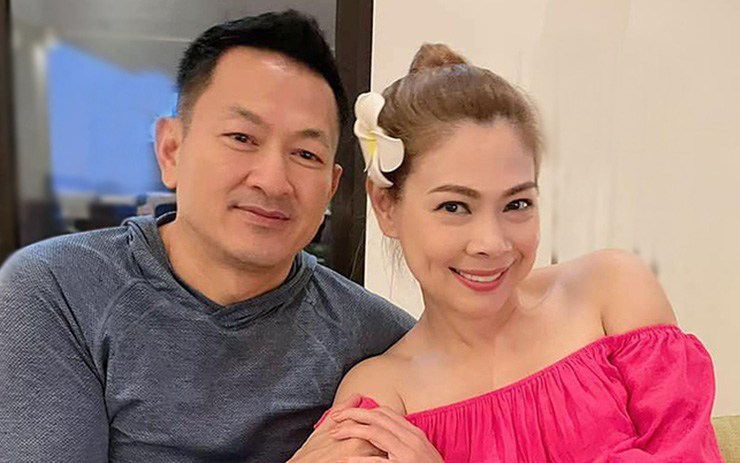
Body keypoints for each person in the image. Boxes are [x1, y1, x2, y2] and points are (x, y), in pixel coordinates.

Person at [0, 10, 417, 462]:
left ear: (331, 187)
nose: (273, 181)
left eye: (305, 153)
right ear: (171, 150)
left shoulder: (379, 338)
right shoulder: (60, 290)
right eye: (242, 137)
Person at [318, 43, 724, 461]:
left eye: (516, 204)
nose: (492, 243)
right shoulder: (380, 399)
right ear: (386, 207)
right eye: (454, 207)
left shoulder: (613, 293)